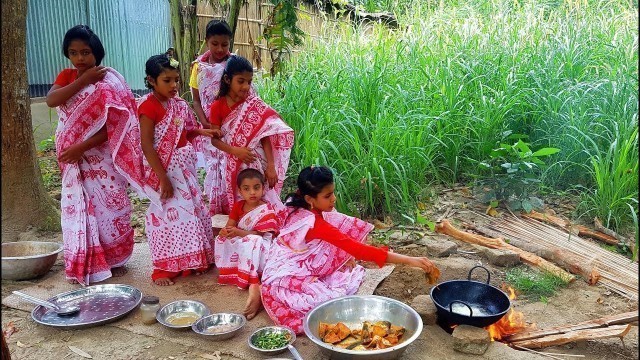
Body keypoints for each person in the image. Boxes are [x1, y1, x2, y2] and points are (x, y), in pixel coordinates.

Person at [260, 166, 441, 334]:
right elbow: (359, 250)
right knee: (327, 304)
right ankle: (258, 291)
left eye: (333, 193)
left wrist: (345, 257)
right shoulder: (314, 223)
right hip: (283, 275)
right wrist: (411, 260)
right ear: (309, 199)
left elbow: (346, 243)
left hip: (292, 261)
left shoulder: (297, 202)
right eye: (327, 195)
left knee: (338, 226)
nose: (334, 199)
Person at [46, 25, 141, 285]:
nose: (80, 58)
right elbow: (52, 101)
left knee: (111, 206)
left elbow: (116, 125)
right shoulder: (68, 76)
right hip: (73, 158)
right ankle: (87, 260)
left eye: (85, 52)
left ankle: (115, 259)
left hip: (102, 156)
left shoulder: (108, 80)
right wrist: (82, 81)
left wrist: (83, 146)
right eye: (73, 52)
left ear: (96, 52)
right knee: (82, 207)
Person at [137, 54, 220, 286]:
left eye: (176, 80)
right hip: (164, 170)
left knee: (192, 211)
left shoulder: (179, 105)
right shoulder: (148, 107)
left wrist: (204, 132)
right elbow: (146, 144)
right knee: (166, 216)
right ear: (151, 81)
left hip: (185, 169)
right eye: (167, 80)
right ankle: (164, 268)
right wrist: (162, 177)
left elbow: (186, 134)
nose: (174, 85)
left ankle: (191, 262)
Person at [208, 55, 294, 216]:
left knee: (261, 194)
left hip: (258, 162)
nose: (246, 86)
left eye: (249, 81)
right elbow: (214, 140)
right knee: (241, 196)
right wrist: (235, 151)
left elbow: (265, 135)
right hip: (234, 161)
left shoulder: (253, 103)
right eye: (240, 81)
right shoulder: (217, 107)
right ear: (227, 80)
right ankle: (243, 230)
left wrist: (270, 166)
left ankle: (263, 226)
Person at [214, 168, 279, 320]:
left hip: (260, 243)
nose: (252, 192)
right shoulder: (238, 206)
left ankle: (252, 277)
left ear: (263, 188)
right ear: (239, 191)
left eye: (256, 188)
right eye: (246, 188)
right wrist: (225, 232)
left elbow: (259, 235)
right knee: (220, 240)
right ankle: (239, 271)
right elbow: (230, 226)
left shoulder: (266, 209)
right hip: (242, 239)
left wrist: (237, 232)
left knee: (253, 241)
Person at [189, 20, 237, 203]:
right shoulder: (198, 68)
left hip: (230, 124)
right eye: (214, 44)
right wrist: (205, 123)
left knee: (229, 164)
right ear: (207, 41)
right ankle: (215, 204)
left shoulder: (234, 65)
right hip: (209, 126)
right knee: (213, 165)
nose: (219, 49)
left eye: (224, 44)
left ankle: (231, 204)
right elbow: (196, 100)